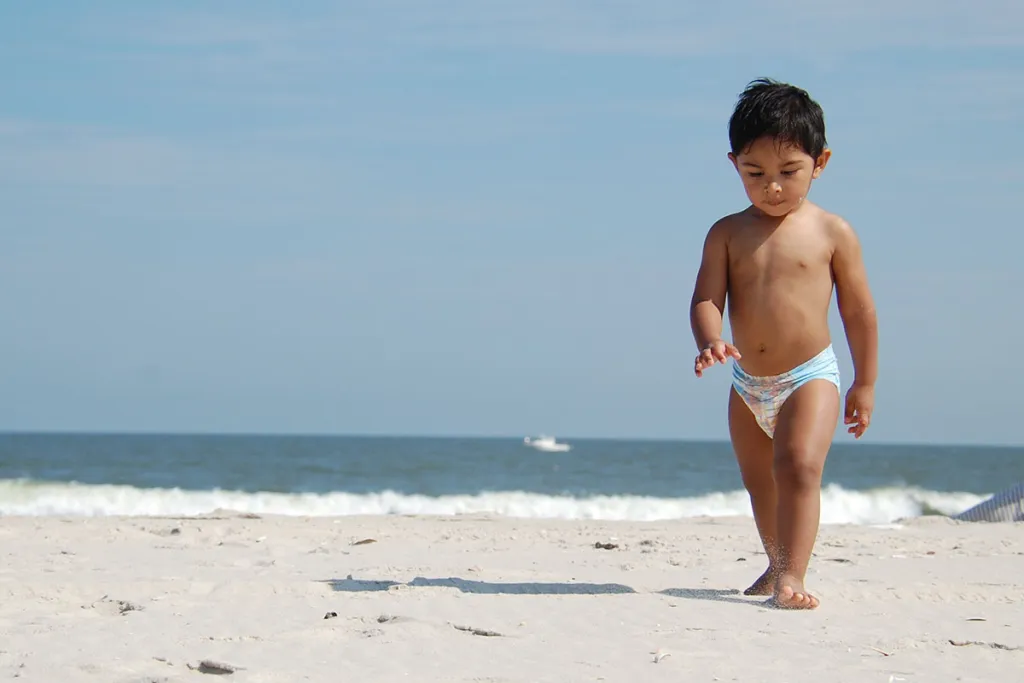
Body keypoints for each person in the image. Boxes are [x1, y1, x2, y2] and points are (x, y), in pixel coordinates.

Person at [689, 78, 878, 609]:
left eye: (788, 173)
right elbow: (706, 299)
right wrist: (711, 339)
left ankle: (793, 576)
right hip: (748, 382)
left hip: (808, 376)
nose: (773, 187)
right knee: (760, 484)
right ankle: (775, 563)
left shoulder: (832, 231)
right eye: (756, 174)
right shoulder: (726, 233)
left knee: (797, 467)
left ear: (820, 162)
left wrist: (864, 382)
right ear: (734, 165)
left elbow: (859, 312)